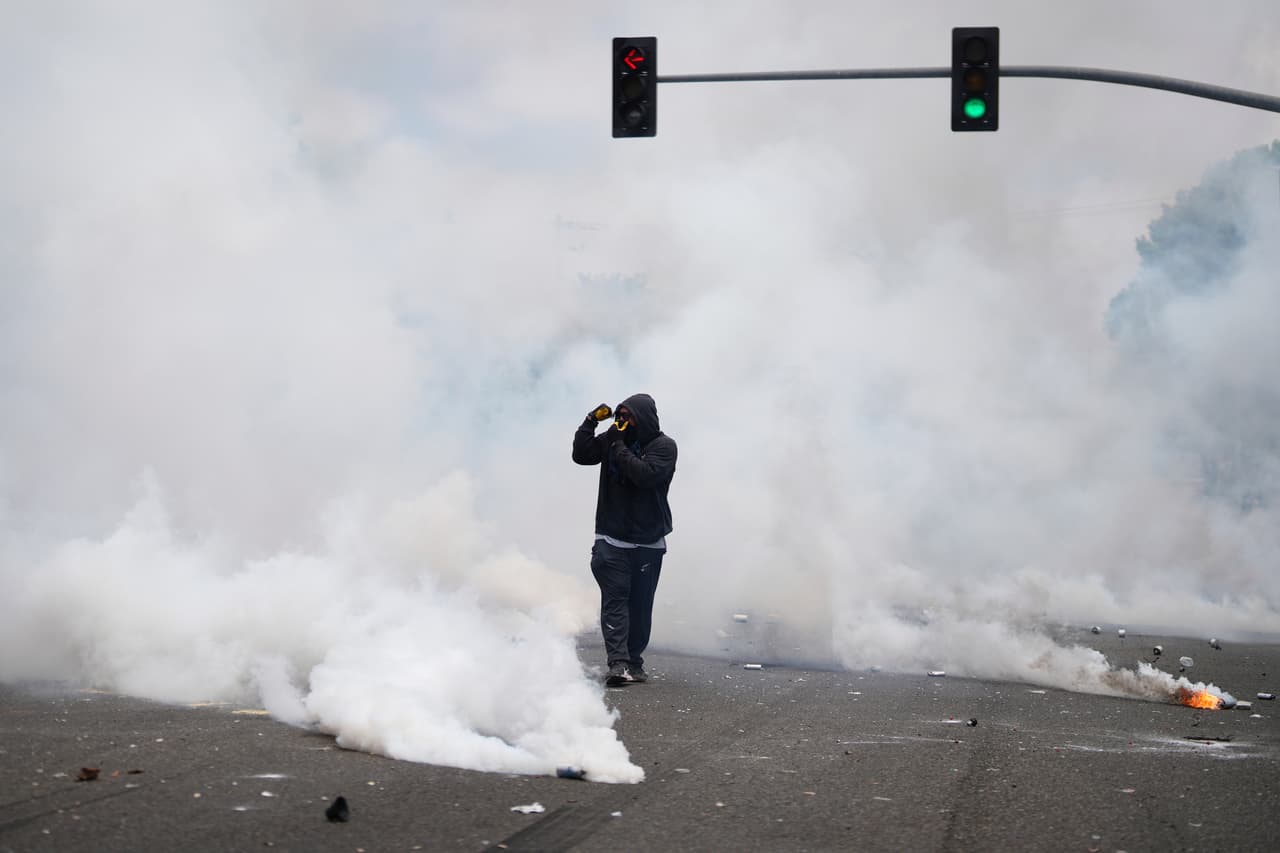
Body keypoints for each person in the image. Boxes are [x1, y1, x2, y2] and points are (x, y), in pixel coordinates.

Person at [572, 393, 677, 686]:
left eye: (627, 416)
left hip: (648, 542)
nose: (622, 422)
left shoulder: (664, 447)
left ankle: (633, 661)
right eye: (619, 416)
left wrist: (617, 446)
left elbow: (644, 475)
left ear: (643, 418)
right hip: (611, 539)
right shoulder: (613, 439)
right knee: (615, 600)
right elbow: (582, 455)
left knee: (640, 607)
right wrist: (590, 422)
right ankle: (617, 664)